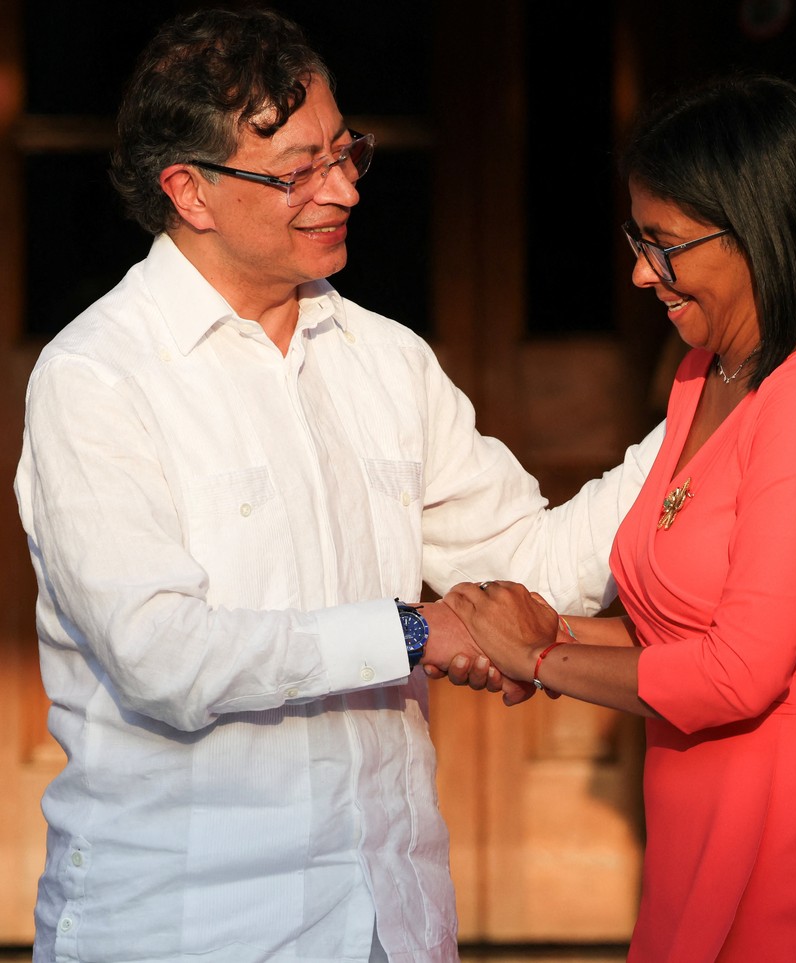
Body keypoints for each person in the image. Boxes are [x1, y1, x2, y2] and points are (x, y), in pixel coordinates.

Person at [13, 8, 666, 962]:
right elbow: (161, 653)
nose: (346, 189)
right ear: (187, 191)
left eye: (345, 151)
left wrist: (713, 397)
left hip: (393, 919)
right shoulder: (98, 376)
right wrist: (410, 630)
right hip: (190, 926)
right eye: (299, 172)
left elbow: (536, 563)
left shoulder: (385, 360)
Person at [443, 73, 796, 962]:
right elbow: (683, 626)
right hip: (695, 824)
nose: (638, 270)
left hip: (790, 845)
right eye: (636, 236)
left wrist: (541, 658)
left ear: (755, 231)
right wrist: (557, 628)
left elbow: (741, 672)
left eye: (662, 243)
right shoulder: (709, 374)